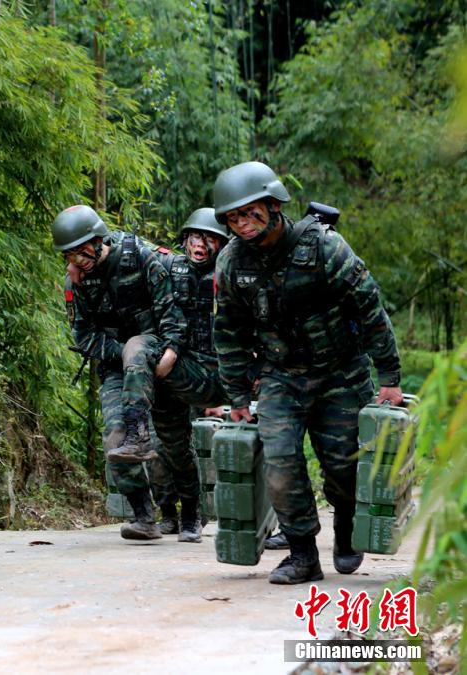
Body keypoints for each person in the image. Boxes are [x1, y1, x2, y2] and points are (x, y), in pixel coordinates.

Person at [211, 161, 403, 584]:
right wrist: (238, 397)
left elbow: (369, 308)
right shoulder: (231, 264)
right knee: (280, 463)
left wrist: (388, 377)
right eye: (234, 218)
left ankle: (346, 528)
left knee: (343, 467)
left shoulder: (324, 247)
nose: (242, 224)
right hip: (281, 376)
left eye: (250, 213)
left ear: (275, 206)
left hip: (341, 374)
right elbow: (228, 333)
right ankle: (302, 554)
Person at [54, 205, 224, 543]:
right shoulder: (77, 283)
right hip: (120, 366)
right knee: (115, 442)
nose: (76, 259)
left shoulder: (142, 258)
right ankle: (144, 516)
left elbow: (172, 312)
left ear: (98, 240)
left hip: (159, 359)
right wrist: (125, 354)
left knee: (174, 443)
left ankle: (190, 511)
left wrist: (168, 351)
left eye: (80, 250)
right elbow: (84, 336)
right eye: (69, 254)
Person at [147, 208, 230, 534]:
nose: (200, 245)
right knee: (166, 445)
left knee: (185, 446)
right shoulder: (168, 268)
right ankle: (168, 511)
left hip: (213, 374)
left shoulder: (230, 275)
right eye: (195, 237)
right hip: (174, 371)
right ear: (185, 240)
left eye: (209, 239)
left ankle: (193, 513)